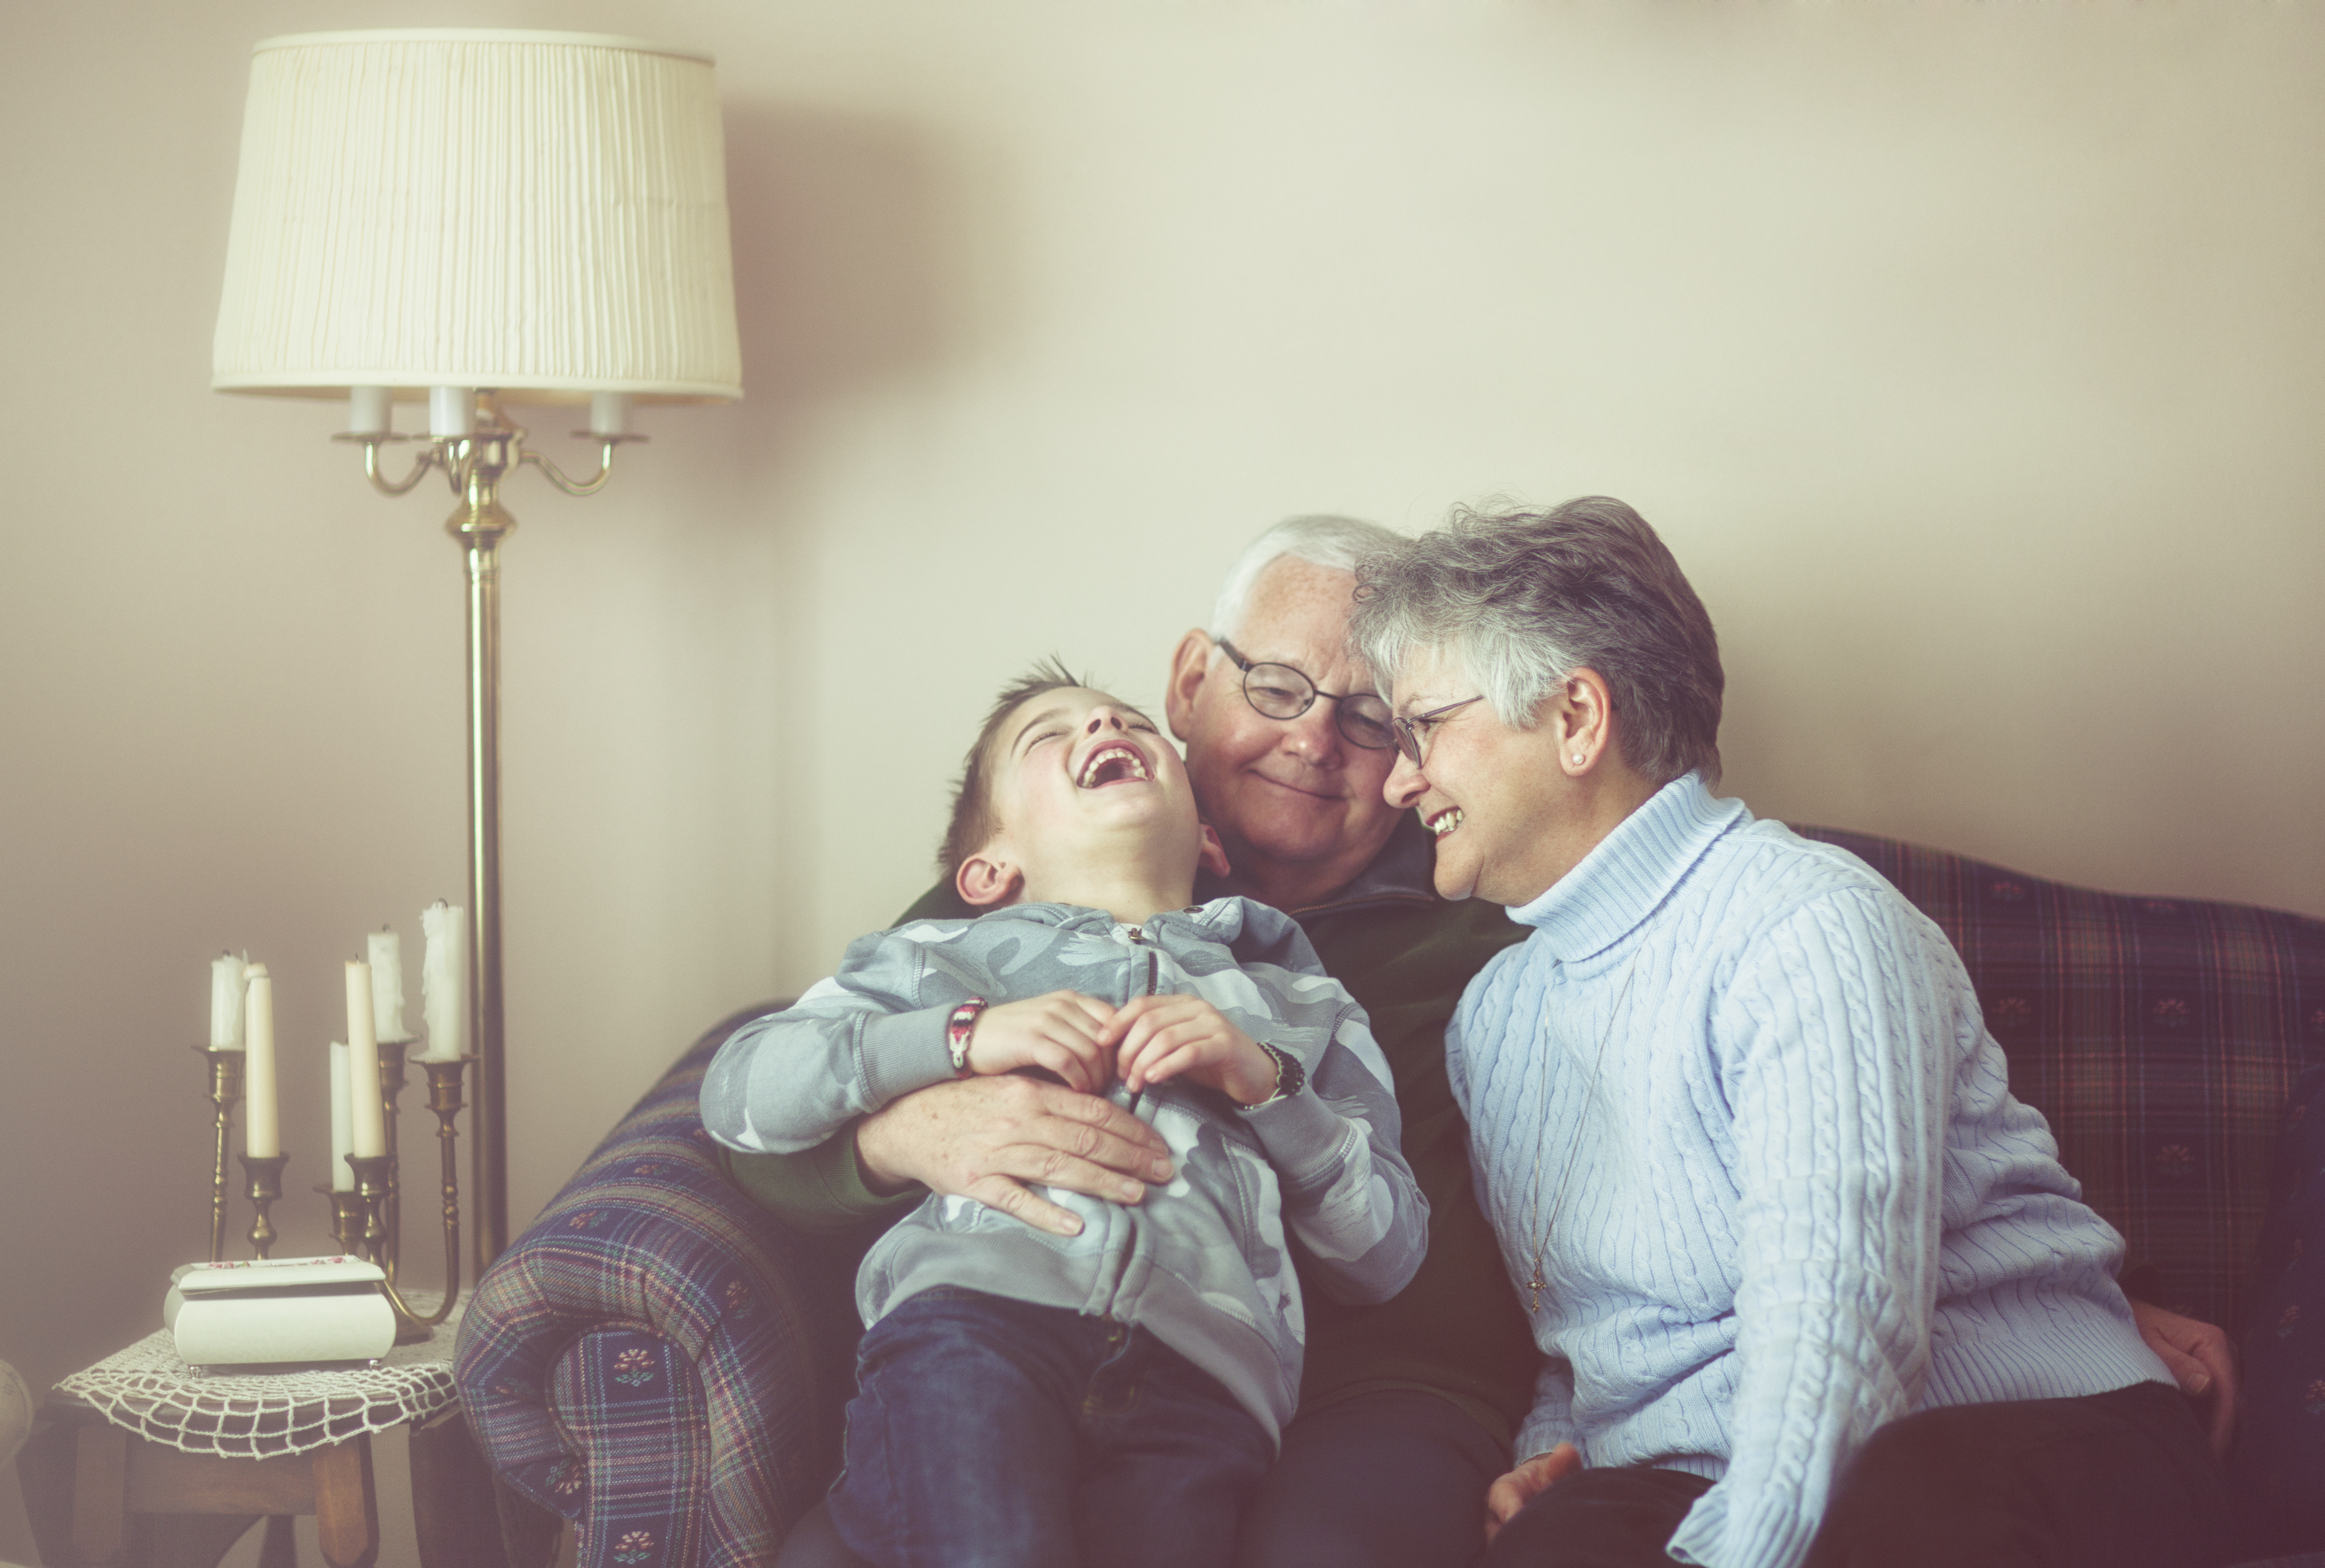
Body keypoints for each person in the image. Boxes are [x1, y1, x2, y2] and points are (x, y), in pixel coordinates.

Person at [733, 514, 2238, 1568]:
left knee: (1901, 1501)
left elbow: (1841, 1260)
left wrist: (2089, 1283)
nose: (1369, 766)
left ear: (1573, 720)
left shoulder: (1626, 936)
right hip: (1071, 1332)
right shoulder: (1031, 879)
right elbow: (767, 1091)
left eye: (1401, 723)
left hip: (1790, 1438)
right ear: (1191, 684)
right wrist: (904, 1123)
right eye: (1278, 691)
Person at [1353, 497, 2236, 1568]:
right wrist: (1555, 1457)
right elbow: (1577, 1330)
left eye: (1424, 728)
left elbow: (1840, 1318)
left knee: (1902, 1513)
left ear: (1578, 717)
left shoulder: (1804, 920)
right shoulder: (1495, 1018)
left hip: (2019, 1428)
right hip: (1705, 1470)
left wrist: (1738, 1552)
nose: (1400, 778)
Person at [701, 663, 1429, 1568]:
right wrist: (961, 1036)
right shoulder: (933, 960)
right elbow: (741, 1092)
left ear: (1209, 839)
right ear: (988, 869)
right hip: (977, 1320)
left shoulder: (1304, 1002)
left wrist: (1267, 1082)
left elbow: (1384, 1256)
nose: (1100, 728)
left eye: (1126, 720)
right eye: (1051, 733)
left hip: (1205, 1385)